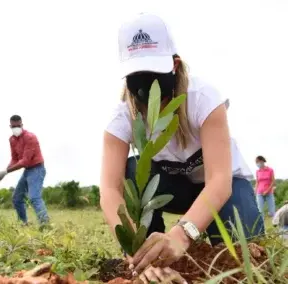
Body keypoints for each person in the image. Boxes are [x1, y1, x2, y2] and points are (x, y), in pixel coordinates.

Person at [100, 13, 264, 283]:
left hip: (225, 189)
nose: (146, 85)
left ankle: (200, 237)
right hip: (175, 189)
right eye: (137, 74)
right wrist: (134, 250)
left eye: (154, 71)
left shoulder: (203, 99)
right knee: (133, 170)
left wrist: (182, 234)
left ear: (175, 65)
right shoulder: (122, 119)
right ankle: (153, 251)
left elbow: (220, 182)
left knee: (246, 254)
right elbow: (110, 190)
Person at [0, 115, 49, 225]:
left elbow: (25, 161)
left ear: (22, 125)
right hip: (27, 171)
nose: (16, 128)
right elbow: (15, 159)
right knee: (17, 198)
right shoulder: (12, 140)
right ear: (10, 126)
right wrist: (3, 173)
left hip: (37, 169)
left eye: (18, 126)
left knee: (34, 197)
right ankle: (25, 223)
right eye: (13, 126)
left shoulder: (30, 137)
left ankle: (45, 224)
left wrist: (5, 172)